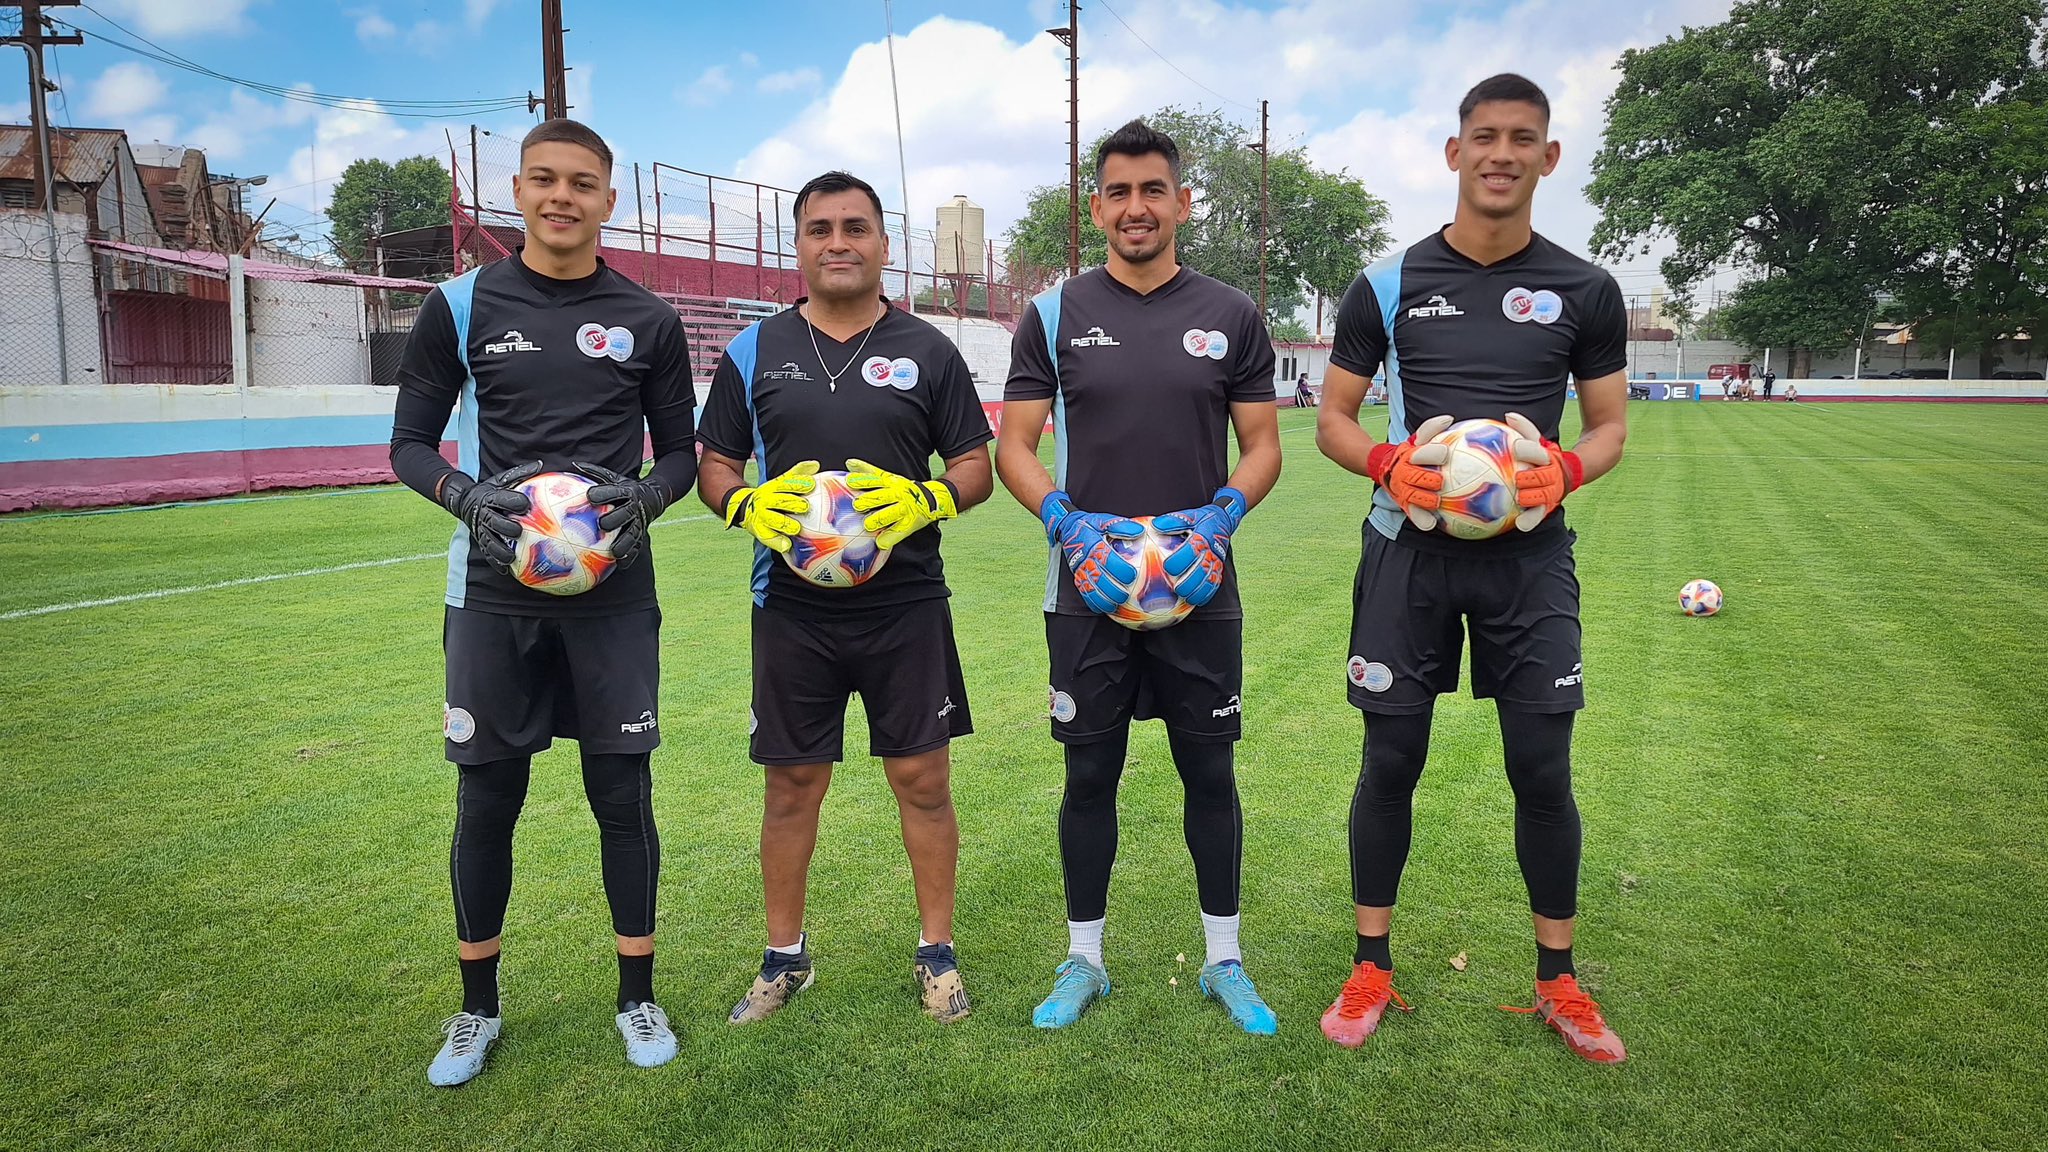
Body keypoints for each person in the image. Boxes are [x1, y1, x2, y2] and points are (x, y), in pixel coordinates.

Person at [1311, 74, 1631, 1063]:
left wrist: (1565, 470)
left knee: (1540, 767)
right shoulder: (1388, 283)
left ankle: (1558, 982)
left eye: (1520, 139)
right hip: (1407, 555)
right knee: (1389, 761)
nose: (1500, 153)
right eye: (1482, 137)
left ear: (1546, 157)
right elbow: (1331, 418)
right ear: (1454, 155)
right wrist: (1386, 461)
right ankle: (1370, 967)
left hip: (1528, 561)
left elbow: (1611, 424)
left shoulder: (1585, 288)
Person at [389, 118, 699, 1086]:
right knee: (489, 796)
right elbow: (408, 445)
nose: (561, 197)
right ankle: (476, 1011)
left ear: (609, 200)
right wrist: (465, 497)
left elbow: (682, 453)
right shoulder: (459, 305)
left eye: (581, 183)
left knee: (621, 794)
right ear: (516, 192)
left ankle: (635, 996)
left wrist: (645, 498)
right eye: (543, 180)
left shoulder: (647, 318)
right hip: (490, 595)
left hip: (612, 598)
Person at [998, 119, 1284, 1035]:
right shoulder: (1053, 314)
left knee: (1211, 772)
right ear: (1097, 207)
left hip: (1201, 587)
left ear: (1182, 203)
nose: (1135, 208)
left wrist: (1224, 515)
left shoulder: (1233, 314)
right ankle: (1084, 960)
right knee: (1090, 776)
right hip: (1088, 590)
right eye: (1118, 193)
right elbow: (1015, 445)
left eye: (1152, 190)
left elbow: (1264, 446)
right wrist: (1063, 520)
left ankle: (1225, 960)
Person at [695, 171, 995, 1027]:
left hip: (906, 606)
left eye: (855, 227)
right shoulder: (755, 349)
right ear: (798, 244)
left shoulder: (928, 349)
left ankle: (937, 956)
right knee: (791, 783)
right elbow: (716, 462)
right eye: (820, 228)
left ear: (882, 243)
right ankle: (783, 959)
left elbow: (973, 464)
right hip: (790, 609)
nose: (838, 241)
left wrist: (933, 498)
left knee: (922, 779)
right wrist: (743, 502)